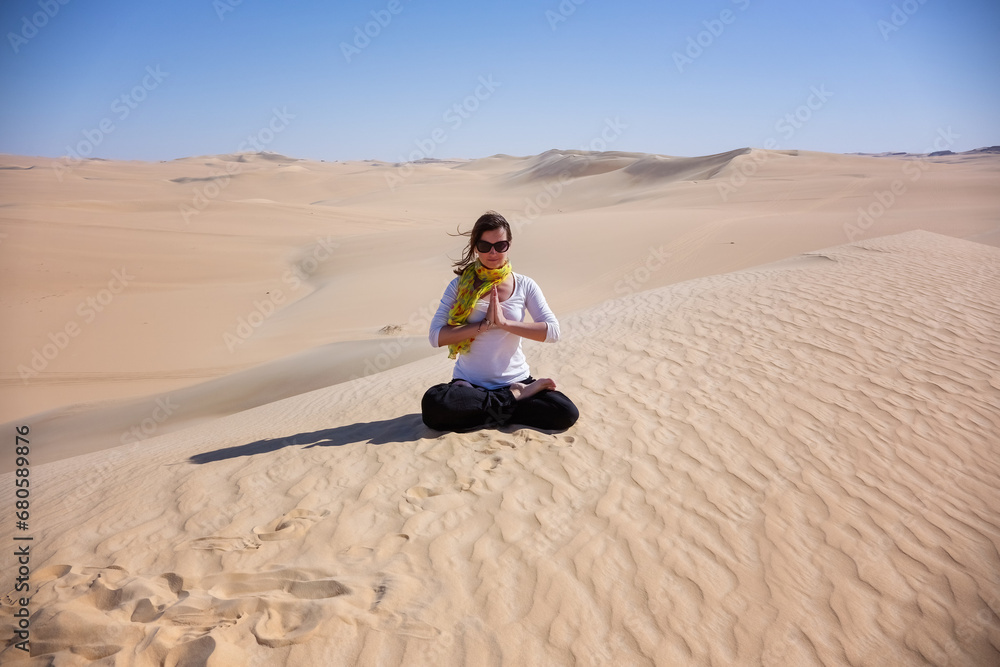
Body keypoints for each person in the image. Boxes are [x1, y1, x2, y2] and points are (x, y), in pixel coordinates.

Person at [421, 211, 579, 432]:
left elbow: (552, 332)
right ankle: (513, 399)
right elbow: (435, 336)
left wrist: (505, 323)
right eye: (485, 246)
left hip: (518, 379)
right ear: (476, 247)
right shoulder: (458, 286)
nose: (493, 252)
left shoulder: (525, 285)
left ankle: (496, 405)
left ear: (509, 245)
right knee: (434, 407)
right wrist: (481, 326)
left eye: (500, 245)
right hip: (470, 386)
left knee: (565, 412)